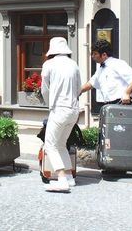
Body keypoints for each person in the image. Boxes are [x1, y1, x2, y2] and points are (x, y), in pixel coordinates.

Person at [40, 36, 81, 193]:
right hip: (73, 110)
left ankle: (62, 179)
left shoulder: (49, 64)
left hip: (59, 110)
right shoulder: (74, 65)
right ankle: (70, 178)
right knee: (61, 144)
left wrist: (49, 103)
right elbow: (78, 89)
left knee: (50, 145)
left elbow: (44, 89)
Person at [79, 39, 132, 105]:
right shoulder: (100, 70)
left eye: (95, 54)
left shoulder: (117, 64)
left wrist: (127, 93)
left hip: (121, 103)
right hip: (109, 105)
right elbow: (91, 84)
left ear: (104, 55)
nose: (92, 56)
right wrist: (79, 91)